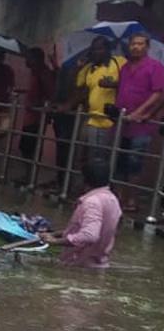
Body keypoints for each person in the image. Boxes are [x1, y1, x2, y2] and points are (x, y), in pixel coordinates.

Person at [111, 30, 164, 202]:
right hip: (122, 122)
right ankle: (117, 198)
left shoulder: (155, 67)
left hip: (142, 123)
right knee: (119, 160)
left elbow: (158, 94)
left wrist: (139, 113)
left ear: (147, 47)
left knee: (135, 162)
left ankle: (131, 199)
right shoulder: (125, 68)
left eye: (140, 44)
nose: (136, 47)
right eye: (133, 43)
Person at [46, 155, 122, 267]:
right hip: (99, 264)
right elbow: (102, 230)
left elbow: (89, 235)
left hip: (78, 266)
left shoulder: (91, 202)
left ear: (84, 179)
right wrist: (55, 234)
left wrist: (54, 242)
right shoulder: (112, 199)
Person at [72, 36, 124, 136]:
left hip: (110, 122)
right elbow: (77, 87)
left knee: (102, 151)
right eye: (94, 49)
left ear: (108, 49)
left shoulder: (119, 62)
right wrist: (78, 67)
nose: (96, 52)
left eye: (99, 49)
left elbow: (131, 84)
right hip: (91, 119)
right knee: (86, 150)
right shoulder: (88, 67)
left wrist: (113, 84)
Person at [18, 46, 58, 176]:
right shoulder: (35, 72)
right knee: (25, 145)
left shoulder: (43, 73)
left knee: (30, 146)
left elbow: (51, 94)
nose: (26, 60)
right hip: (30, 115)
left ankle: (30, 174)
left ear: (36, 59)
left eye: (29, 58)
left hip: (37, 116)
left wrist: (39, 104)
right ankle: (28, 173)